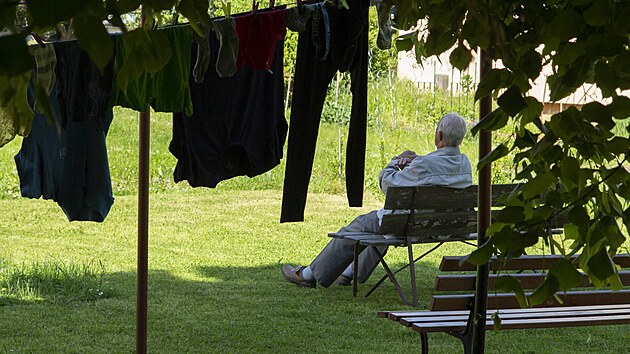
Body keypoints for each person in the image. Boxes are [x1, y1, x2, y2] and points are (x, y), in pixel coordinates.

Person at [281, 112, 473, 288]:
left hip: (409, 227)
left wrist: (395, 162)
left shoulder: (425, 164)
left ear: (439, 135)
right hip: (442, 228)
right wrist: (417, 161)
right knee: (382, 228)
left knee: (358, 228)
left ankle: (307, 275)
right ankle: (349, 274)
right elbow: (439, 171)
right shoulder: (465, 164)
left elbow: (389, 185)